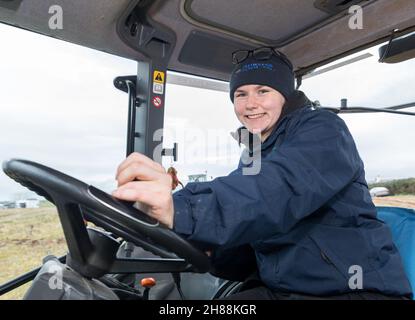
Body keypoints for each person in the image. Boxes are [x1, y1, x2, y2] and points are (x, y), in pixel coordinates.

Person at [112, 47, 412, 300]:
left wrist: (182, 207)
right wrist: (205, 248)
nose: (250, 104)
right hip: (282, 288)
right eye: (240, 94)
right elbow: (252, 227)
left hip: (348, 290)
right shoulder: (254, 155)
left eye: (263, 91)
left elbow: (277, 190)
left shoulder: (323, 130)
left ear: (285, 95)